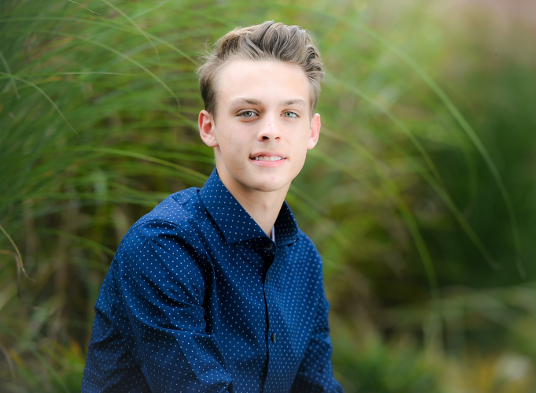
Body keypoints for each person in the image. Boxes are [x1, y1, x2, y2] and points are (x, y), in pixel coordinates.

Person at [82, 21, 343, 392]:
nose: (271, 130)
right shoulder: (164, 247)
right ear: (209, 128)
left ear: (312, 131)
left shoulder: (303, 260)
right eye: (247, 113)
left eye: (289, 113)